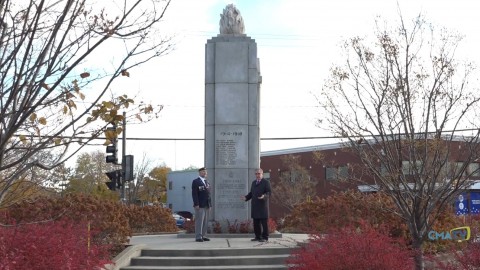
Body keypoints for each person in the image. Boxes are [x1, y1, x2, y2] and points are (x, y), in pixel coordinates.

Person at [243, 168, 271, 242]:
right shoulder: (253, 182)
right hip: (255, 206)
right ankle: (257, 236)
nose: (257, 175)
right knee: (256, 223)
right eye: (256, 174)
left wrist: (263, 196)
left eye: (259, 173)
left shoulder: (266, 182)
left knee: (264, 223)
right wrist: (246, 197)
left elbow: (269, 193)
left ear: (262, 174)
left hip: (262, 206)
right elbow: (251, 193)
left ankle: (265, 237)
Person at [192, 167, 211, 242]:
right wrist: (196, 204)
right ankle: (198, 237)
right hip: (199, 205)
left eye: (205, 172)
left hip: (206, 204)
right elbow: (194, 194)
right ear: (199, 173)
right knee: (199, 221)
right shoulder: (196, 181)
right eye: (203, 171)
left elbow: (209, 194)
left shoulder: (207, 182)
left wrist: (210, 204)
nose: (205, 173)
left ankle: (204, 235)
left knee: (205, 222)